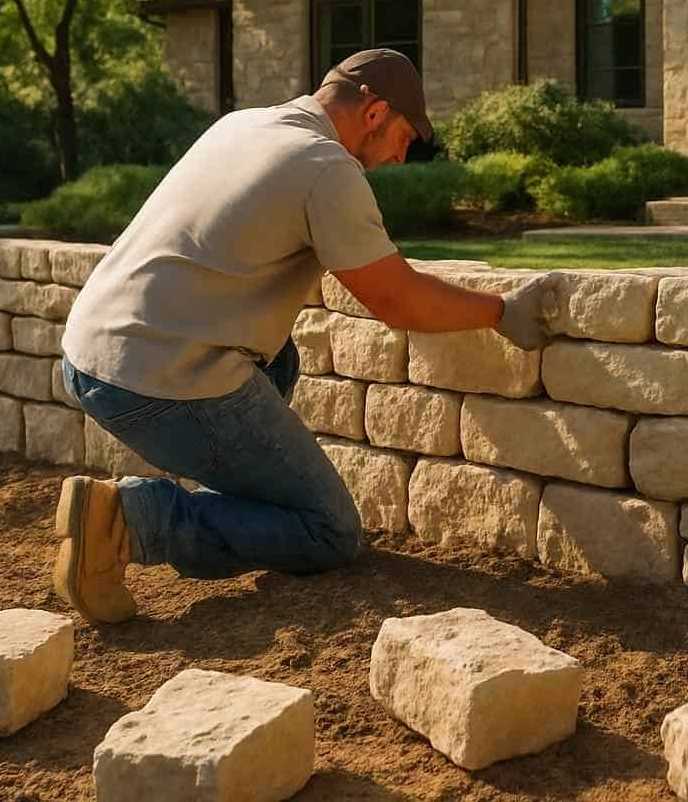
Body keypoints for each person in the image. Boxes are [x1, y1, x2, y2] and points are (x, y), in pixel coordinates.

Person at [53, 48, 558, 623]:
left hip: (90, 350)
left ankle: (247, 498)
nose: (399, 157)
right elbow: (396, 298)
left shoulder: (242, 124)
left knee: (280, 359)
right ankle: (124, 519)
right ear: (374, 112)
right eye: (404, 138)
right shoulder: (325, 168)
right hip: (153, 376)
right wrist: (499, 311)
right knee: (327, 529)